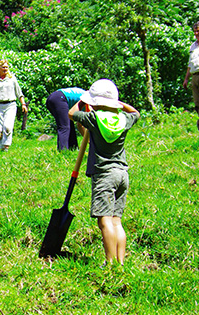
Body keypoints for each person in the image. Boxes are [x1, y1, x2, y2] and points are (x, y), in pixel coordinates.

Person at [68, 79, 139, 265]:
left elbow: (72, 114)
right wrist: (119, 104)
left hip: (104, 175)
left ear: (94, 102)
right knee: (116, 222)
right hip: (122, 173)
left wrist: (82, 101)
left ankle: (109, 263)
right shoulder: (123, 119)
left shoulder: (93, 118)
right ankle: (120, 263)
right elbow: (135, 113)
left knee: (104, 222)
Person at [0, 59, 27, 151]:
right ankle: (1, 148)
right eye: (3, 67)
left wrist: (23, 104)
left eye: (7, 67)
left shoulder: (12, 78)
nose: (5, 69)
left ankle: (6, 146)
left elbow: (19, 93)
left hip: (10, 105)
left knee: (7, 126)